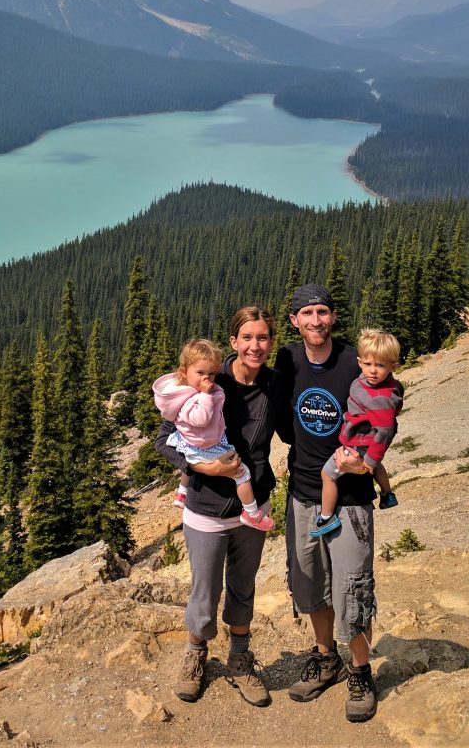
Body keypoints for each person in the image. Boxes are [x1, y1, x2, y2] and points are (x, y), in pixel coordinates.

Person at [156, 306, 282, 707]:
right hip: (206, 508)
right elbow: (164, 438)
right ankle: (196, 655)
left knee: (242, 589)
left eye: (262, 338)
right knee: (204, 592)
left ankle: (240, 661)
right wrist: (200, 464)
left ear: (271, 342)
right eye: (247, 337)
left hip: (251, 506)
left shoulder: (275, 385)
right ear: (234, 342)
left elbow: (298, 430)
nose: (255, 346)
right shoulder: (209, 377)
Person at [274, 283, 378, 723]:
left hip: (350, 499)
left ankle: (360, 671)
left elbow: (382, 416)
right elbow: (279, 418)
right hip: (301, 493)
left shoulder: (354, 363)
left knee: (352, 586)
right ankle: (326, 656)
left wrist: (367, 463)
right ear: (294, 320)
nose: (315, 320)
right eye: (306, 313)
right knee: (310, 583)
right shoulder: (287, 360)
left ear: (332, 317)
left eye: (322, 311)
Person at [153, 338, 275, 532]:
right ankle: (251, 513)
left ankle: (182, 492)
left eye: (212, 373)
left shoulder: (180, 394)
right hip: (207, 450)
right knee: (242, 474)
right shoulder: (191, 398)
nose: (207, 379)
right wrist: (207, 396)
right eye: (200, 373)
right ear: (184, 371)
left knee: (189, 454)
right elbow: (200, 419)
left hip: (193, 442)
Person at [313, 328, 403, 537]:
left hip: (359, 444)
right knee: (378, 464)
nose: (373, 371)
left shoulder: (380, 398)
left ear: (393, 366)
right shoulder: (376, 384)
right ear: (359, 362)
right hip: (364, 440)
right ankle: (388, 494)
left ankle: (326, 518)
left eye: (380, 365)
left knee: (327, 475)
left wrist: (368, 462)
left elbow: (385, 432)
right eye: (368, 364)